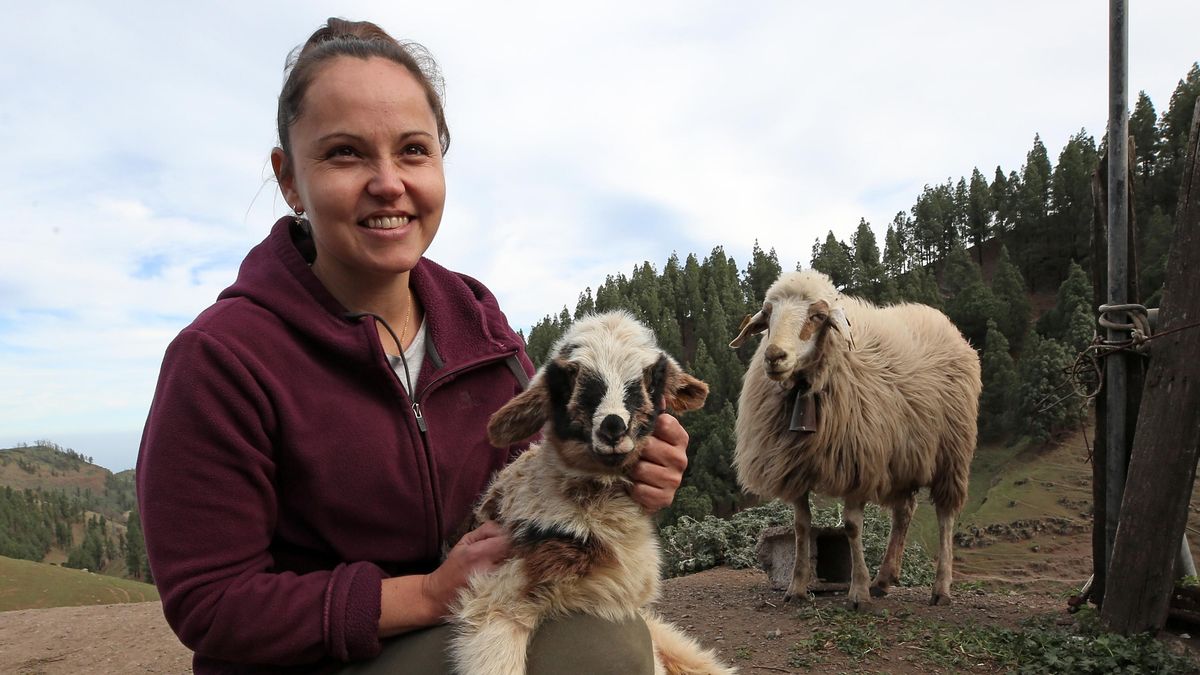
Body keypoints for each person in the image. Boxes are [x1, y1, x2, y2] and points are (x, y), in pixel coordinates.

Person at [136, 18, 692, 674]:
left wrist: (624, 467)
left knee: (609, 630)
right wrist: (425, 593)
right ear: (289, 180)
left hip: (470, 615)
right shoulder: (222, 358)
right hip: (316, 658)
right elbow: (212, 601)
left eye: (412, 150)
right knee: (598, 648)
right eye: (345, 152)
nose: (388, 182)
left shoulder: (476, 320)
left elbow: (529, 473)